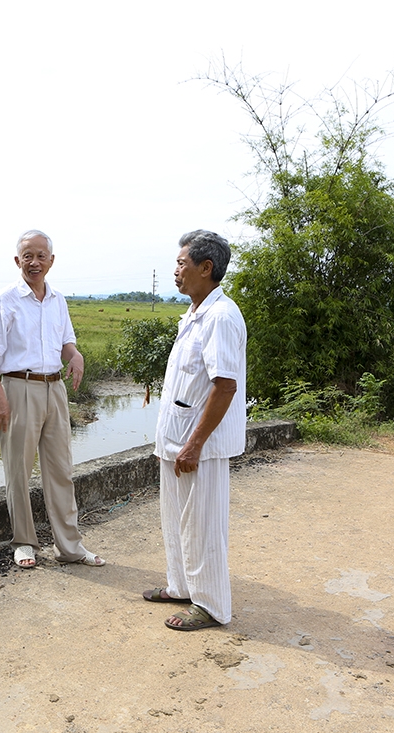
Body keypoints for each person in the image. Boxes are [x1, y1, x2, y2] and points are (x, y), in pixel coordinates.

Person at [0, 230, 106, 569]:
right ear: (17, 260)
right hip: (18, 388)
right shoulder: (5, 299)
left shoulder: (58, 300)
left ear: (51, 260)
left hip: (55, 388)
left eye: (41, 256)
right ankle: (24, 542)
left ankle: (70, 546)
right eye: (28, 256)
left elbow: (65, 343)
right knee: (18, 470)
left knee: (61, 469)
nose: (34, 262)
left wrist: (75, 355)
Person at [145, 230, 247, 631]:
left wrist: (195, 444)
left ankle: (211, 605)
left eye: (182, 264)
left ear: (206, 268)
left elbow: (225, 385)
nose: (176, 271)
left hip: (198, 444)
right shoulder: (194, 313)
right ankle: (182, 586)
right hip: (177, 439)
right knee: (176, 519)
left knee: (202, 524)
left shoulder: (220, 317)